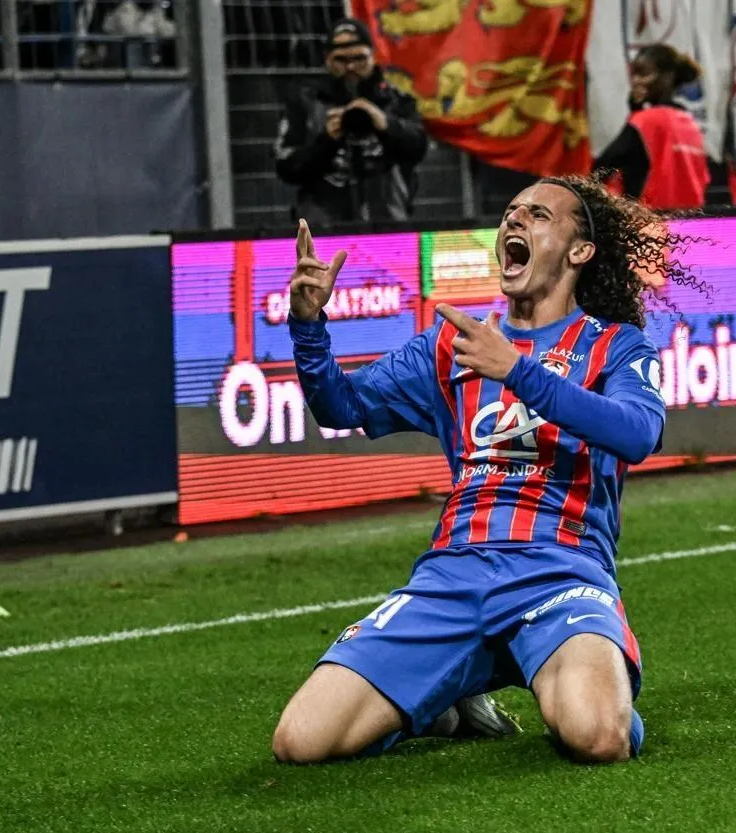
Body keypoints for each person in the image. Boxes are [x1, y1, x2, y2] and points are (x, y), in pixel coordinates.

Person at [272, 175, 691, 764]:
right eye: (511, 211)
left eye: (539, 215)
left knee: (598, 738)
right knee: (299, 742)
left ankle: (591, 684)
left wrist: (517, 371)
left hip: (560, 572)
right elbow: (341, 406)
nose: (515, 220)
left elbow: (638, 433)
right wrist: (309, 326)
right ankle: (446, 701)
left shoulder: (616, 345)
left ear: (580, 251)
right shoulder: (452, 344)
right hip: (453, 574)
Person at [273, 18, 429, 226]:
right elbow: (285, 167)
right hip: (324, 228)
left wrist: (385, 123)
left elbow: (418, 149)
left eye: (359, 59)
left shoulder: (396, 101)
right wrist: (326, 141)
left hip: (387, 225)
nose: (351, 67)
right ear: (327, 59)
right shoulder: (305, 103)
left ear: (373, 56)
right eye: (341, 60)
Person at [593, 44, 709, 211]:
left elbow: (601, 169)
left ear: (668, 76)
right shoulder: (691, 124)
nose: (636, 81)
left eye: (643, 74)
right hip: (693, 221)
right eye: (634, 74)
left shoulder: (646, 121)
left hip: (652, 219)